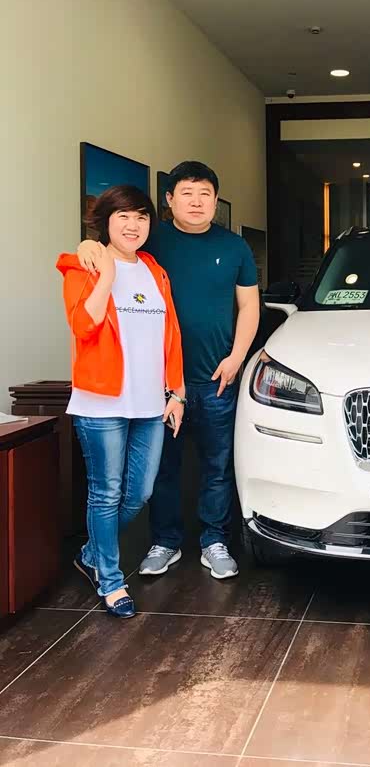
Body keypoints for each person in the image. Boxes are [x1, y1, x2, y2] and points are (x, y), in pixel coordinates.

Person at [78, 161, 260, 580]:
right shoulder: (149, 241)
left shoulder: (235, 247)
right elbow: (109, 251)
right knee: (162, 469)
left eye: (205, 194)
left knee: (217, 466)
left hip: (216, 377)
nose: (196, 202)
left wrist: (236, 357)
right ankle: (165, 541)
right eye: (187, 193)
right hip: (158, 383)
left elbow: (250, 305)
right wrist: (87, 245)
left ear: (216, 200)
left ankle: (214, 541)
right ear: (169, 199)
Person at [58, 185, 185, 619]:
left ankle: (91, 554)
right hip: (100, 405)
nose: (133, 225)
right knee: (105, 492)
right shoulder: (82, 264)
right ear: (105, 222)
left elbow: (171, 336)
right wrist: (107, 275)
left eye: (141, 217)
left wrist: (177, 391)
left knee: (139, 492)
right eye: (123, 216)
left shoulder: (154, 270)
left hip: (150, 403)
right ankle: (111, 581)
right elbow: (84, 326)